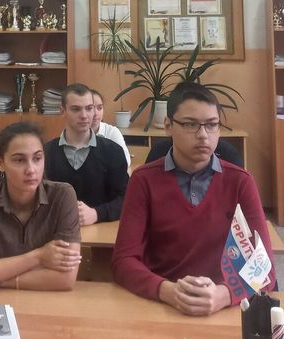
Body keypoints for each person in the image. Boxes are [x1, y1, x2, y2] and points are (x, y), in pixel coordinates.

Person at [112, 83, 274, 315]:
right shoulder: (143, 180)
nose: (203, 135)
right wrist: (168, 291)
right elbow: (123, 261)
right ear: (168, 126)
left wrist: (224, 294)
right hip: (162, 303)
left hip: (224, 304)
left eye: (212, 125)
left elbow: (265, 266)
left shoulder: (241, 181)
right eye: (190, 124)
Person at [0, 121, 81, 291]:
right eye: (19, 160)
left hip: (46, 300)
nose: (31, 169)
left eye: (37, 158)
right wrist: (39, 256)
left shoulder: (63, 195)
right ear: (0, 163)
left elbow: (66, 279)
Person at [43, 83, 128, 226]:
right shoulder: (46, 153)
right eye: (76, 109)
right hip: (56, 230)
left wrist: (97, 213)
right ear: (62, 111)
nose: (84, 116)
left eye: (89, 108)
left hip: (101, 230)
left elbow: (126, 199)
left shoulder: (113, 151)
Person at [89, 88, 131, 167]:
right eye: (90, 108)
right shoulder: (74, 133)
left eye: (100, 108)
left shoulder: (112, 132)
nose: (96, 113)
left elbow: (125, 161)